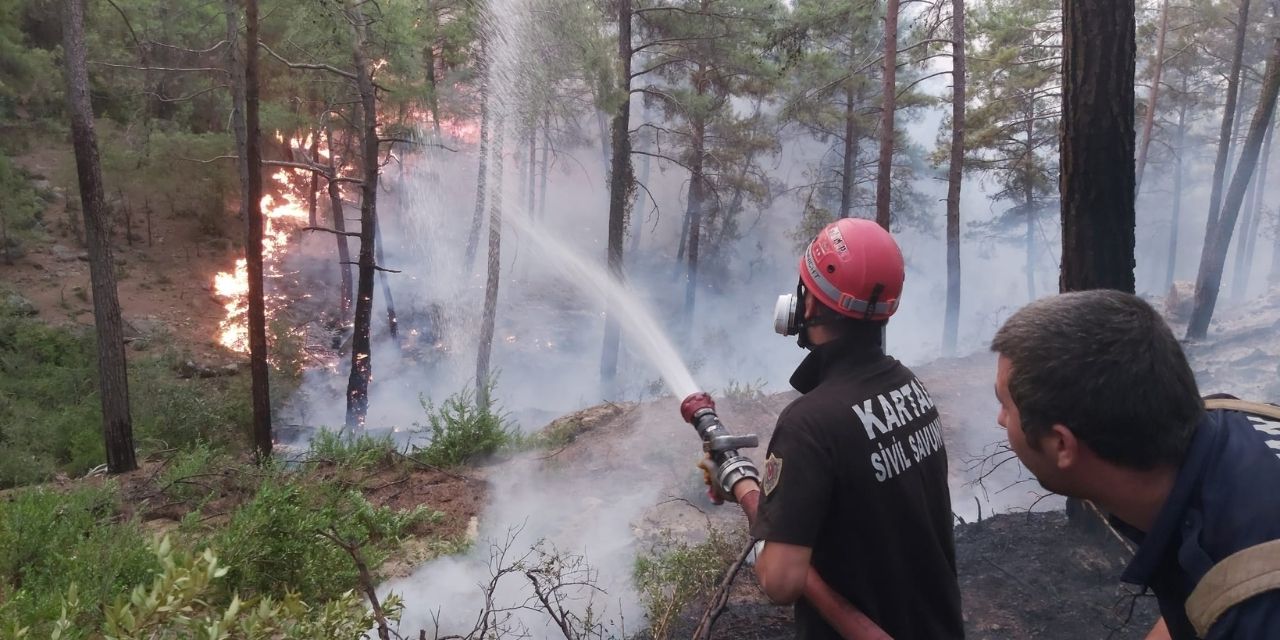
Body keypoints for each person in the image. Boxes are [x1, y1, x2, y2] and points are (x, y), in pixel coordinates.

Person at [704, 218, 964, 639]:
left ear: (807, 306)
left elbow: (780, 582)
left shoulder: (810, 423)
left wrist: (747, 490)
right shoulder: (911, 388)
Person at [990, 289, 1280, 640]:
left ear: (1061, 444)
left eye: (1005, 404)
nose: (1000, 420)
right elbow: (1205, 605)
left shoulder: (1257, 608)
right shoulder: (1225, 421)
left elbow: (1239, 596)